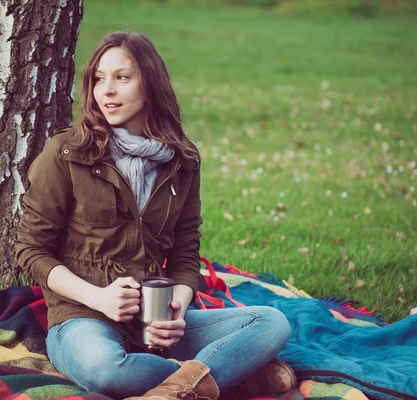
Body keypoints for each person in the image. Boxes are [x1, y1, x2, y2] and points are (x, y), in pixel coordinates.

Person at [15, 31, 294, 400]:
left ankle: (179, 385)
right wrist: (99, 298)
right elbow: (31, 250)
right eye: (99, 79)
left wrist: (177, 307)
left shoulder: (182, 161)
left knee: (271, 322)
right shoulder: (66, 153)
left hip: (154, 324)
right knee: (105, 371)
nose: (106, 91)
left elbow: (185, 252)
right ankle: (229, 378)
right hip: (83, 317)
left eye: (122, 77)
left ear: (150, 83)